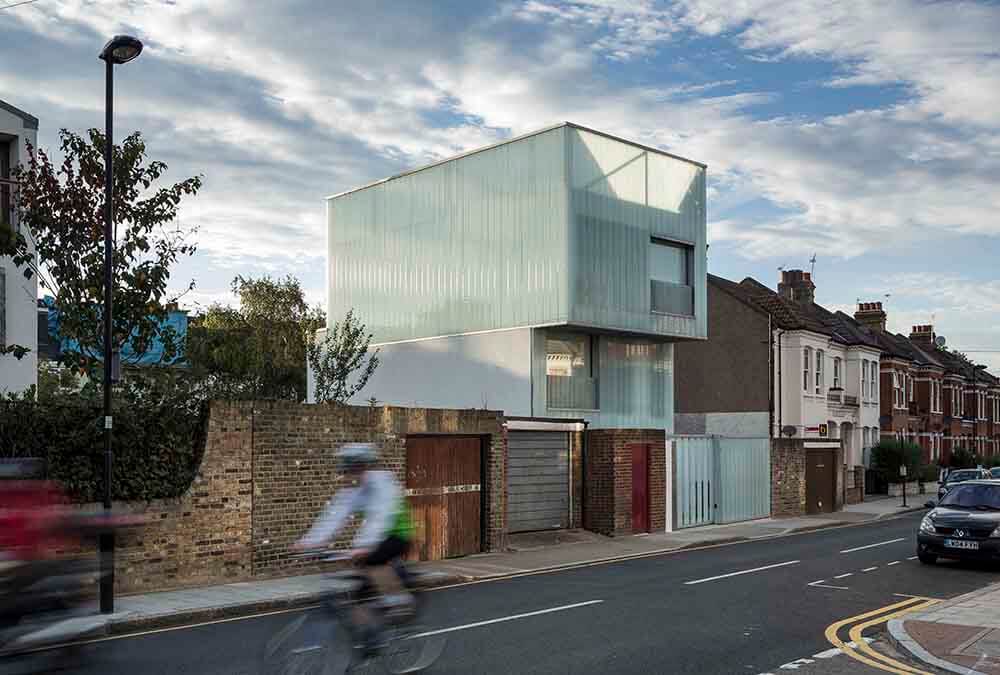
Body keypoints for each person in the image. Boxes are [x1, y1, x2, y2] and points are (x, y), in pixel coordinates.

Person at [293, 443, 414, 654]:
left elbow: (380, 516)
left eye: (353, 469)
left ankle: (398, 599)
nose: (349, 475)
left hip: (397, 534)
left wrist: (363, 546)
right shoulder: (352, 491)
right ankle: (370, 637)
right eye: (347, 470)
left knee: (371, 560)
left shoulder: (383, 483)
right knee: (358, 595)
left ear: (364, 466)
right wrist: (310, 542)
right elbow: (333, 517)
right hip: (375, 537)